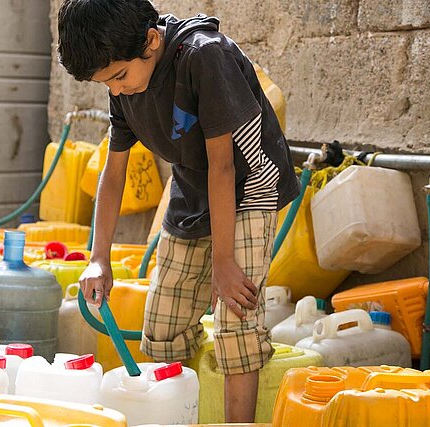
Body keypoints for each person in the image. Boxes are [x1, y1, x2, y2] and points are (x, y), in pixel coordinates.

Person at [58, 0, 299, 422]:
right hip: (191, 191)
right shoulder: (125, 83)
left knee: (236, 324)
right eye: (106, 84)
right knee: (163, 325)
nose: (115, 90)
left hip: (248, 189)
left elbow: (224, 167)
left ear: (151, 41)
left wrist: (223, 262)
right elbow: (113, 175)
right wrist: (99, 258)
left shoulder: (203, 57)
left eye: (118, 77)